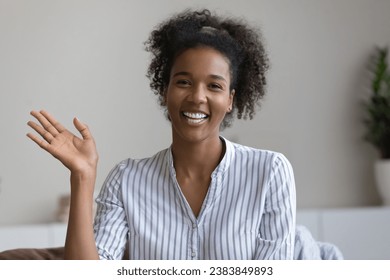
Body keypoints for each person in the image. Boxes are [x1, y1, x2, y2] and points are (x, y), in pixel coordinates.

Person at [27, 8, 296, 260]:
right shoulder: (126, 181)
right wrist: (82, 176)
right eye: (183, 82)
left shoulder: (270, 172)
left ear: (230, 100)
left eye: (214, 86)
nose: (197, 97)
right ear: (165, 90)